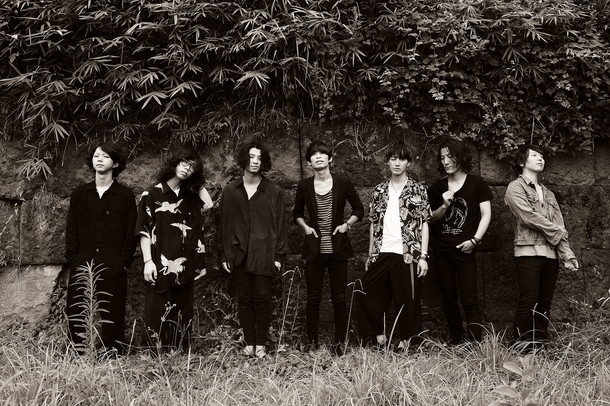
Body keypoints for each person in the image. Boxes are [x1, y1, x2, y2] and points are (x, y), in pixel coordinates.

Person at [136, 149, 213, 352]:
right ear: (175, 162)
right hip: (159, 261)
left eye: (192, 167)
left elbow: (208, 204)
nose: (187, 168)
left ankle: (178, 351)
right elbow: (143, 230)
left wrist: (197, 182)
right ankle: (151, 353)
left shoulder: (190, 195)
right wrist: (147, 261)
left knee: (183, 309)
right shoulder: (152, 193)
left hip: (186, 262)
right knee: (156, 309)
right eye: (184, 162)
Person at [65, 142, 137, 355]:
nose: (99, 159)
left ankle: (112, 353)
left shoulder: (125, 195)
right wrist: (74, 258)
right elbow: (71, 228)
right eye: (96, 156)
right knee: (76, 307)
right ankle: (77, 352)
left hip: (113, 261)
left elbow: (131, 232)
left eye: (105, 156)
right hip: (83, 260)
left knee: (113, 308)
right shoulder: (80, 194)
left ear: (115, 163)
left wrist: (122, 262)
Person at [358, 142, 431, 351]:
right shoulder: (379, 190)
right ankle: (378, 337)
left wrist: (423, 256)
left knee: (408, 299)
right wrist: (371, 254)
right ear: (388, 162)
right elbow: (373, 223)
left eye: (402, 159)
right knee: (367, 292)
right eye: (393, 159)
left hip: (408, 253)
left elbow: (425, 223)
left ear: (408, 163)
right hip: (382, 251)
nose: (397, 163)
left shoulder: (418, 189)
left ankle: (407, 342)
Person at [504, 145, 579, 350]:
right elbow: (527, 216)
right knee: (528, 300)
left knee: (545, 302)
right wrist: (556, 231)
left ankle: (538, 346)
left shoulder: (549, 194)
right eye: (535, 155)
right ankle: (519, 348)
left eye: (542, 156)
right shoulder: (515, 187)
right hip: (528, 252)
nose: (540, 159)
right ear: (522, 162)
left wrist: (567, 255)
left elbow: (560, 225)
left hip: (551, 255)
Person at [293, 141, 364, 353]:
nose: (318, 156)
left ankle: (340, 342)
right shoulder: (304, 186)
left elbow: (359, 209)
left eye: (322, 153)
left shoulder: (342, 182)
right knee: (313, 297)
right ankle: (312, 342)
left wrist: (346, 225)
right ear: (309, 162)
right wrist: (305, 227)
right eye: (313, 154)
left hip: (338, 249)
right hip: (314, 249)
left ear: (330, 158)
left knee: (339, 297)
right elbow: (297, 213)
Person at [220, 141, 288, 358]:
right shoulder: (231, 191)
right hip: (239, 253)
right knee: (244, 299)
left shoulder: (273, 191)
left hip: (264, 252)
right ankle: (249, 342)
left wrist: (278, 256)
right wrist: (225, 254)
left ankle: (261, 344)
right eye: (251, 157)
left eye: (259, 158)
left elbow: (281, 225)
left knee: (262, 297)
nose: (255, 162)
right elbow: (225, 225)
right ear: (244, 160)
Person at [427, 139, 492, 344]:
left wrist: (475, 240)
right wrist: (444, 206)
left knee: (469, 298)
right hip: (442, 251)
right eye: (442, 158)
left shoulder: (477, 184)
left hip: (466, 250)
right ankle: (457, 341)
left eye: (450, 156)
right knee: (448, 298)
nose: (446, 161)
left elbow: (486, 214)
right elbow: (430, 219)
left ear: (460, 156)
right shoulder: (437, 188)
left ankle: (474, 344)